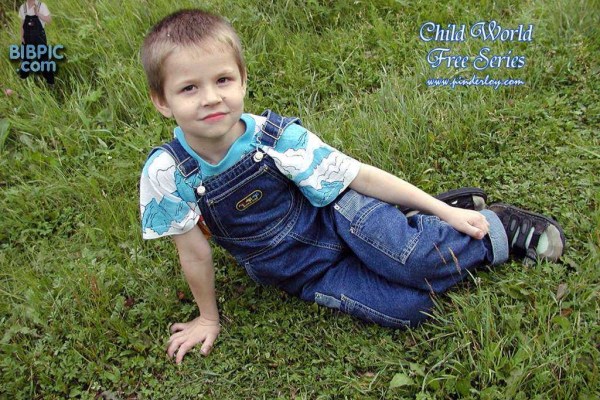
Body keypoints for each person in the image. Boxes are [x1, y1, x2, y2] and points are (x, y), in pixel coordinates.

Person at [139, 9, 565, 364]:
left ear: (243, 79)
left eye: (223, 80)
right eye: (189, 88)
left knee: (416, 261)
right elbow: (193, 252)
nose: (211, 98)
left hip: (341, 216)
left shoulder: (275, 139)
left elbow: (359, 175)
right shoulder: (166, 174)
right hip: (306, 273)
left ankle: (497, 229)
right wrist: (208, 318)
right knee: (412, 308)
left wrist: (446, 211)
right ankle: (414, 224)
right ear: (162, 100)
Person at [18, 0, 54, 84]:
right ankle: (23, 81)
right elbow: (22, 25)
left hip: (39, 38)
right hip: (27, 37)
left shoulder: (42, 5)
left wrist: (38, 13)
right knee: (25, 59)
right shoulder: (23, 7)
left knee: (43, 60)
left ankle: (50, 82)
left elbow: (49, 21)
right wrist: (22, 36)